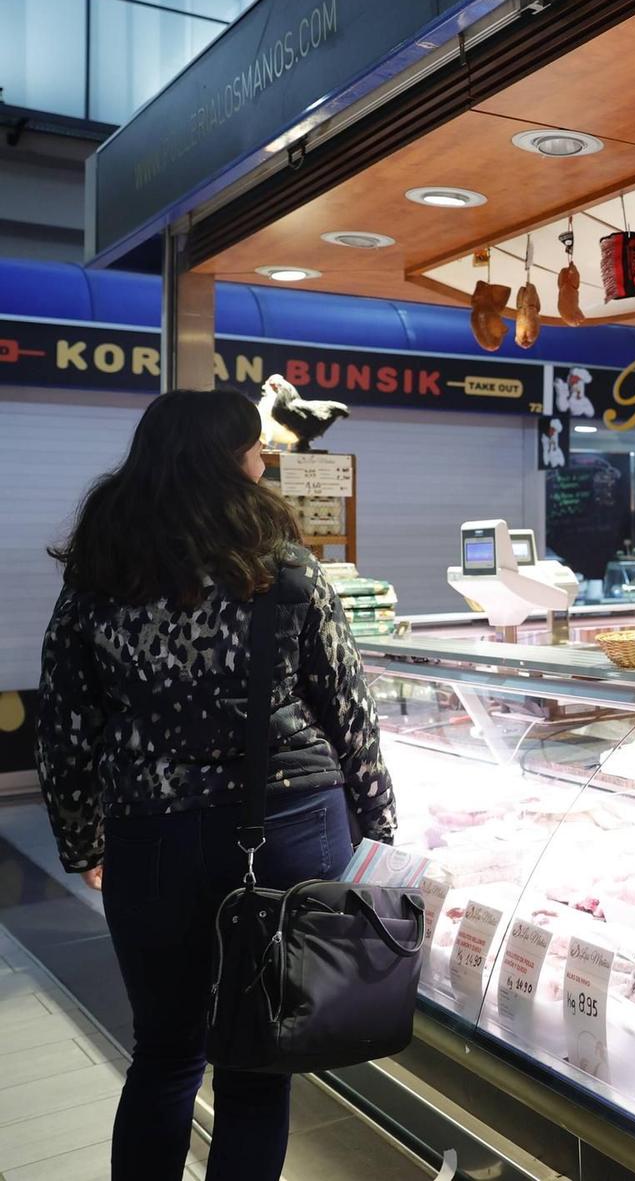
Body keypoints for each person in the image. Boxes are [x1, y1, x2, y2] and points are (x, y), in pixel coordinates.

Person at [36, 389, 396, 1181]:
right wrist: (379, 836)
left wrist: (81, 837)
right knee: (258, 1057)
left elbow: (65, 723)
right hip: (291, 824)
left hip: (152, 829)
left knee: (166, 1054)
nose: (264, 460)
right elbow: (348, 713)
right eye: (255, 449)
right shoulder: (288, 568)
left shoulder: (103, 574)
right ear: (231, 462)